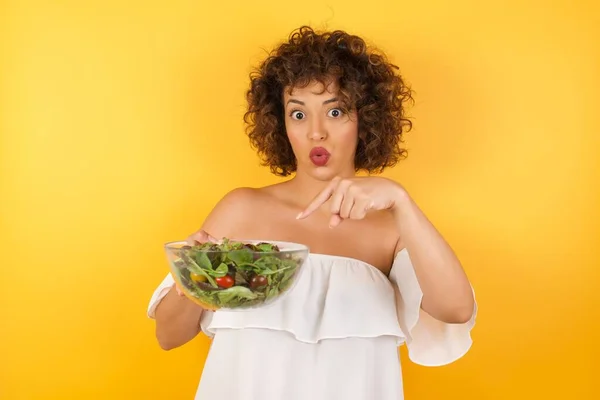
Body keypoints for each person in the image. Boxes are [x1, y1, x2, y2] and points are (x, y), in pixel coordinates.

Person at [147, 25, 477, 400]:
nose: (316, 132)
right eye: (298, 114)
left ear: (365, 119)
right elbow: (168, 335)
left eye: (335, 111)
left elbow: (455, 309)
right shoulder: (242, 210)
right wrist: (194, 274)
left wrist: (401, 201)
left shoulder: (391, 229)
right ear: (280, 122)